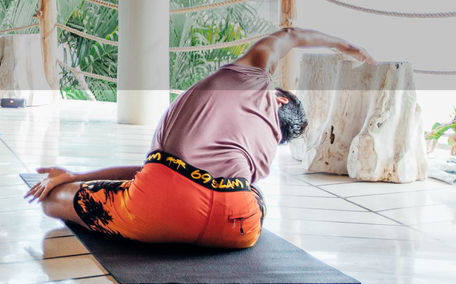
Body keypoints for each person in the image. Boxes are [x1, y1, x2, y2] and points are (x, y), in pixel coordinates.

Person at [25, 27, 373, 249]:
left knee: (51, 199)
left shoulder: (254, 79)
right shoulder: (263, 143)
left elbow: (289, 35)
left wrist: (345, 45)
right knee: (252, 192)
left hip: (159, 204)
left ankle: (138, 223)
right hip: (239, 225)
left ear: (280, 98)